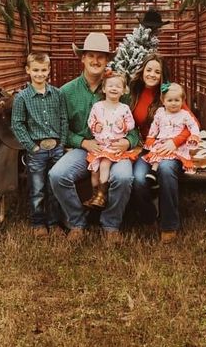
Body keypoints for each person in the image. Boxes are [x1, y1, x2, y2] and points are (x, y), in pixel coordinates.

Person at [49, 32, 139, 243]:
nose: (96, 61)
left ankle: (111, 225)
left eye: (101, 56)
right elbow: (61, 130)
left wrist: (127, 142)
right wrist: (83, 142)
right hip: (84, 149)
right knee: (57, 175)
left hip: (116, 150)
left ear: (107, 60)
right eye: (91, 55)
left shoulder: (117, 90)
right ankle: (77, 223)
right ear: (82, 58)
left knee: (124, 177)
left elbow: (134, 130)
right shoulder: (67, 92)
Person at [129, 54, 194, 243]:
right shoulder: (134, 92)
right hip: (145, 147)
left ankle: (169, 224)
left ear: (162, 75)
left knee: (166, 170)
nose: (152, 74)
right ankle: (149, 216)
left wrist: (175, 141)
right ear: (142, 72)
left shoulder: (170, 95)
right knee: (139, 180)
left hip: (169, 148)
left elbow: (192, 123)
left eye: (157, 71)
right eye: (149, 70)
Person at [11, 51, 68, 237]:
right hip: (37, 149)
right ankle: (38, 223)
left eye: (43, 70)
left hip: (56, 148)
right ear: (28, 70)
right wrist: (32, 147)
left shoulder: (57, 94)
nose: (39, 74)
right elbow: (17, 124)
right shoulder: (22, 97)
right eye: (35, 70)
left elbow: (63, 119)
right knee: (37, 188)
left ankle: (55, 222)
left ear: (49, 70)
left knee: (54, 187)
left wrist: (63, 143)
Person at [84, 70, 137, 209]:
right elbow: (91, 121)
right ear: (104, 88)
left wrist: (123, 125)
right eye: (111, 85)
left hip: (113, 146)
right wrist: (96, 125)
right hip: (100, 145)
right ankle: (95, 195)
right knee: (94, 170)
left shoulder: (124, 108)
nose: (114, 88)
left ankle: (102, 195)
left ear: (124, 90)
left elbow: (132, 124)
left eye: (118, 86)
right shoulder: (98, 106)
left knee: (104, 165)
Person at [143, 82, 201, 185]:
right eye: (169, 100)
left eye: (177, 100)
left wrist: (194, 135)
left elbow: (193, 125)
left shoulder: (184, 114)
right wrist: (151, 137)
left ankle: (156, 175)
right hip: (162, 142)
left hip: (177, 146)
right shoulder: (160, 113)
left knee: (166, 157)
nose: (173, 103)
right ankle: (153, 172)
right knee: (157, 153)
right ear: (163, 101)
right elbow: (154, 126)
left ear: (182, 101)